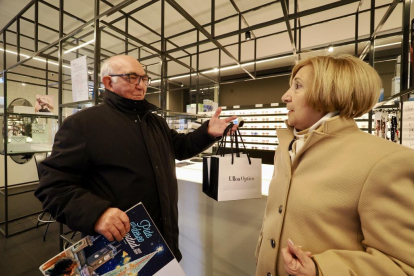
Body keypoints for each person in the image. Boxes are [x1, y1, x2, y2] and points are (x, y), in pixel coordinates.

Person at [35, 55, 237, 261]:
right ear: (108, 83)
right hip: (119, 247)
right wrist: (96, 214)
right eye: (132, 78)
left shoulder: (155, 122)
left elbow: (180, 147)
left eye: (144, 79)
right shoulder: (83, 124)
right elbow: (53, 186)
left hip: (163, 239)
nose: (141, 86)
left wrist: (208, 132)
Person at [255, 54, 414, 276]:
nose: (285, 96)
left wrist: (321, 270)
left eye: (297, 86)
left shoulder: (384, 162)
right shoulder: (286, 149)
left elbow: (404, 266)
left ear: (329, 92)